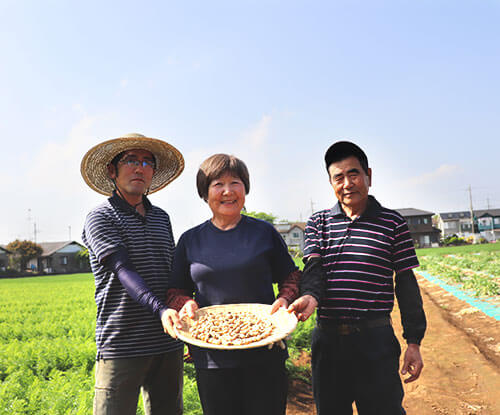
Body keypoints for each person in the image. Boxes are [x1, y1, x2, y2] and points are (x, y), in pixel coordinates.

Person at [289, 141, 426, 415]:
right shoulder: (318, 223)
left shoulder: (392, 223)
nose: (347, 183)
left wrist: (414, 342)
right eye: (338, 177)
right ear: (331, 183)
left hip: (375, 340)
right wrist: (310, 296)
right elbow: (313, 267)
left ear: (369, 176)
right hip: (328, 342)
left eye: (354, 174)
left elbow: (407, 284)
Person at [162, 153, 301, 415]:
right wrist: (187, 303)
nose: (227, 191)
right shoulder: (190, 240)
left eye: (235, 183)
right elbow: (175, 291)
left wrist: (284, 299)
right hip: (212, 357)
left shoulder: (264, 233)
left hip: (264, 350)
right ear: (205, 193)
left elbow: (291, 276)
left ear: (245, 188)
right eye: (218, 184)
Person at [81, 133, 185, 415]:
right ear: (111, 171)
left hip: (166, 341)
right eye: (130, 160)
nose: (139, 168)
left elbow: (172, 273)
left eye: (147, 162)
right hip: (122, 343)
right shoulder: (101, 217)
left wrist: (184, 311)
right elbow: (122, 269)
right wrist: (161, 310)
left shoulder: (162, 217)